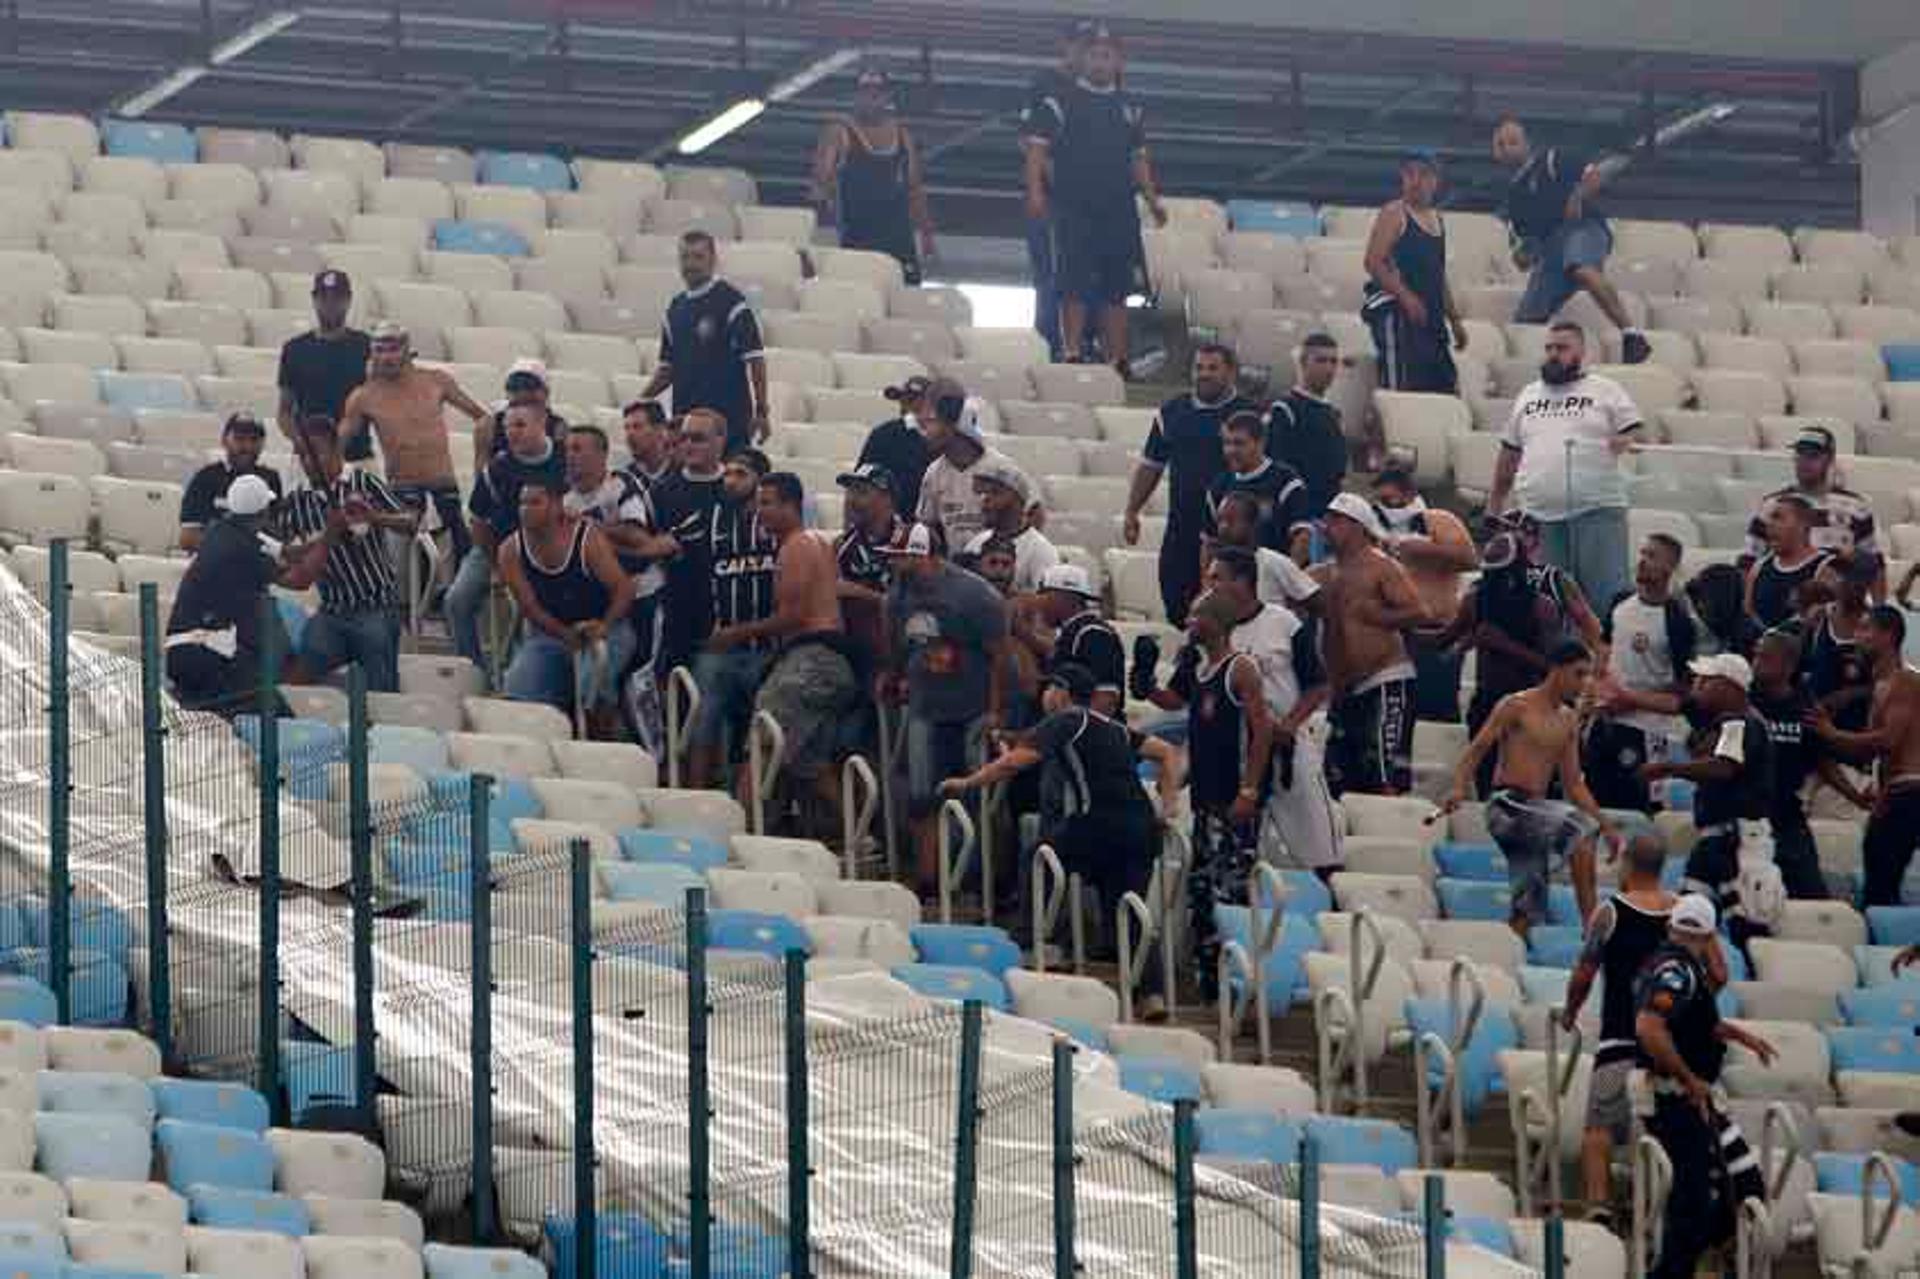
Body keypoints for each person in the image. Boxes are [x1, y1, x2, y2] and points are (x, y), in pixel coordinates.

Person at [941, 662, 1181, 1018]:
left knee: (1038, 856)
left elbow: (1016, 763)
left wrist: (967, 783)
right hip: (1141, 828)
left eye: (1050, 688)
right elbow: (1166, 752)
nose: (1045, 696)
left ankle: (1033, 942)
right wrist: (1170, 802)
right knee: (1128, 909)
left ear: (1063, 693)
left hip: (1098, 823)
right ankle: (1152, 995)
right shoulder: (1113, 727)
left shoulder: (1069, 720)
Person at [1144, 547, 1341, 877]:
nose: (1210, 584)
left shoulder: (1283, 622)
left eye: (1217, 577)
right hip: (1233, 756)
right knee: (1230, 857)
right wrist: (1147, 686)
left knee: (1319, 848)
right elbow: (1177, 698)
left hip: (1285, 748)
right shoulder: (1206, 630)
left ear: (1244, 580)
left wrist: (1290, 725)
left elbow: (1319, 686)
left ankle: (1332, 912)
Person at [707, 472, 864, 823]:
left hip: (811, 661)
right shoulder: (816, 544)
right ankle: (861, 838)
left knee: (762, 741)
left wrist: (733, 634)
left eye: (766, 503)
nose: (757, 512)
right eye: (757, 503)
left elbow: (794, 616)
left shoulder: (795, 546)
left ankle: (739, 834)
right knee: (812, 766)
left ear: (791, 506)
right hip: (830, 663)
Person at [1634, 894, 1774, 1279]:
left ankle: (1710, 1256)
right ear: (1711, 935)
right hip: (1681, 1101)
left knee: (1742, 1187)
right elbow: (1650, 1027)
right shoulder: (1675, 971)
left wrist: (1741, 1036)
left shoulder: (1685, 967)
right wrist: (1689, 1079)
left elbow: (1698, 1017)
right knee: (1693, 1205)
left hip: (1700, 1100)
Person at [1022, 23, 1166, 374]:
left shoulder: (1130, 107)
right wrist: (1036, 192)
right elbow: (1036, 152)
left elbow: (1139, 158)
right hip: (1074, 207)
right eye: (1094, 55)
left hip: (1118, 208)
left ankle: (1116, 358)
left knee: (1116, 286)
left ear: (1119, 62)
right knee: (1072, 282)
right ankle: (1071, 351)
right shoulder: (1058, 101)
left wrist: (1151, 198)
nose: (1101, 62)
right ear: (1083, 60)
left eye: (1108, 55)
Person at [1443, 639, 1611, 934]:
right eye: (1578, 673)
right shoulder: (1516, 705)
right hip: (1507, 806)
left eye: (1588, 675)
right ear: (1557, 670)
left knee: (1528, 909)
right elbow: (1477, 749)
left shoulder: (1568, 719)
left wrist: (1608, 826)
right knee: (1579, 829)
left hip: (1537, 815)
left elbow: (1574, 785)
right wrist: (1458, 787)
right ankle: (1591, 928)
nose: (1584, 683)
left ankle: (1504, 959)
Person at [880, 522, 1011, 892]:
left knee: (980, 800)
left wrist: (995, 712)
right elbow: (898, 642)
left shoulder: (974, 595)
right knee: (923, 795)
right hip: (926, 705)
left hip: (972, 708)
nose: (893, 565)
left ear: (921, 556)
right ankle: (929, 879)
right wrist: (891, 673)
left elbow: (1000, 656)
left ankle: (990, 883)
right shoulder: (896, 596)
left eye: (900, 557)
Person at [1561, 833, 1677, 1228]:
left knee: (1599, 1126)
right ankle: (1660, 1205)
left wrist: (1569, 1011)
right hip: (1669, 1044)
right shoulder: (1682, 914)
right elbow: (1715, 973)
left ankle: (1598, 1203)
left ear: (1626, 864)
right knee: (1667, 1123)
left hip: (1619, 1039)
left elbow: (1584, 973)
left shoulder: (1609, 913)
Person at [1440, 516, 1602, 797]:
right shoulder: (1478, 595)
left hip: (1533, 704)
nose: (1507, 536)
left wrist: (1504, 645)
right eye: (1503, 530)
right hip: (1488, 700)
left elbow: (1561, 660)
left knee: (1534, 787)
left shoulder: (1548, 596)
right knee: (1488, 784)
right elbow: (1447, 642)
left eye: (1516, 531)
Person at [1489, 321, 1643, 612]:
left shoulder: (1605, 389)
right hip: (1539, 518)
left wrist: (1625, 438)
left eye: (1562, 348)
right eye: (1548, 348)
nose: (1553, 354)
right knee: (1550, 605)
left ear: (1581, 352)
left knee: (1604, 604)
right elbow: (1509, 453)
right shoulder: (1528, 395)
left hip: (1596, 511)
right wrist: (1494, 505)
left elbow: (1636, 431)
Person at [1176, 589, 1276, 996]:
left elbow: (1262, 730)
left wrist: (1250, 790)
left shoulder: (1240, 668)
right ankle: (1209, 982)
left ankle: (1237, 985)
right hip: (1205, 799)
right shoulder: (1200, 668)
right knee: (1200, 890)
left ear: (1215, 621)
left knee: (1230, 893)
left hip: (1233, 799)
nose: (1188, 623)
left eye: (1196, 616)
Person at [1642, 654, 1778, 943]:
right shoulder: (1722, 723)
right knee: (1687, 919)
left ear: (1730, 686)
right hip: (1714, 840)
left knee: (1746, 924)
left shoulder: (1742, 722)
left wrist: (1669, 768)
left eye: (1706, 680)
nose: (1698, 685)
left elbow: (1724, 767)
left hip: (1738, 838)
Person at [1491, 114, 1650, 363]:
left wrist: (1576, 197)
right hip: (1551, 251)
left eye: (1512, 141)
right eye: (1500, 145)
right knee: (1524, 322)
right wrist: (1523, 256)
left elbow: (1594, 176)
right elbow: (1525, 248)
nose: (1507, 148)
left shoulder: (1551, 159)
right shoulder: (1513, 196)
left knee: (1581, 267)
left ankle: (1632, 335)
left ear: (1527, 143)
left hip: (1583, 228)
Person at [164, 474, 328, 713]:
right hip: (209, 655)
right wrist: (332, 537)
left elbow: (289, 553)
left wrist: (324, 538)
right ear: (262, 512)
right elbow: (300, 580)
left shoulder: (221, 531)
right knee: (275, 713)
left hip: (185, 653)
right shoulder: (244, 548)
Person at [276, 415, 412, 693]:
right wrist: (326, 535)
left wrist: (375, 517)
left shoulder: (363, 482)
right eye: (302, 455)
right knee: (295, 679)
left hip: (375, 606)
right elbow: (287, 556)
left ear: (336, 449)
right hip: (332, 611)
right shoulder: (296, 503)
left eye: (316, 453)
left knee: (381, 690)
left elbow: (410, 521)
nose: (308, 462)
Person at [337, 322, 488, 569]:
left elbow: (482, 418)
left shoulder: (436, 381)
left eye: (393, 348)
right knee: (409, 575)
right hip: (401, 490)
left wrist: (481, 464)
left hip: (443, 486)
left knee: (459, 565)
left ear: (407, 350)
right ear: (372, 354)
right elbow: (339, 443)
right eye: (381, 350)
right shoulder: (364, 395)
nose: (387, 356)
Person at [1125, 344, 1256, 625]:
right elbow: (1151, 465)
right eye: (1199, 368)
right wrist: (1131, 511)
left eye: (1213, 368)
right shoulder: (1172, 412)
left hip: (1231, 537)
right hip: (1182, 530)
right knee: (1180, 610)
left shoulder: (1250, 415)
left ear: (1231, 373)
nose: (1204, 374)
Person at [496, 477, 636, 735]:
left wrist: (604, 625)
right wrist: (565, 635)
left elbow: (624, 588)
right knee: (517, 689)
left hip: (607, 626)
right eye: (522, 503)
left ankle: (598, 744)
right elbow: (530, 608)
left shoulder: (586, 538)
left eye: (535, 502)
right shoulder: (509, 550)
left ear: (556, 505)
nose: (525, 509)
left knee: (591, 688)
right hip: (552, 632)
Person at [564, 424, 679, 735]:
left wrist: (590, 528)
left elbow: (637, 536)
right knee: (598, 683)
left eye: (578, 448)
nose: (570, 456)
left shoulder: (620, 484)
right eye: (567, 449)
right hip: (601, 604)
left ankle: (652, 753)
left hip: (644, 596)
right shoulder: (565, 501)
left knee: (640, 679)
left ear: (601, 454)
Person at [1315, 493, 1430, 796]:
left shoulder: (1381, 567)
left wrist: (1379, 617)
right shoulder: (1324, 573)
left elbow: (1420, 613)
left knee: (1383, 774)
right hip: (1344, 691)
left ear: (1358, 526)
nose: (1326, 527)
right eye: (1326, 520)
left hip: (1384, 680)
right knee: (1338, 779)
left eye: (1336, 521)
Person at [1808, 604, 1920, 906]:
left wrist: (1832, 733)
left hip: (1909, 793)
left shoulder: (1905, 681)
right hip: (1894, 793)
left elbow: (1888, 740)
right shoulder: (1882, 685)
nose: (1857, 637)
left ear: (1888, 635)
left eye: (1865, 629)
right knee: (1879, 881)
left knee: (1882, 886)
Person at [446, 401, 566, 671]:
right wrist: (498, 564)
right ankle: (474, 669)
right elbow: (477, 520)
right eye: (508, 426)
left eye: (521, 425)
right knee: (457, 600)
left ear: (541, 423)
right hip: (495, 547)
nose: (512, 432)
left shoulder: (564, 460)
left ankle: (518, 673)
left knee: (532, 611)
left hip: (548, 553)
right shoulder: (498, 468)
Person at [1751, 629, 1867, 900]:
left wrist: (1855, 796)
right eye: (1756, 656)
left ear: (1789, 665)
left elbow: (1822, 762)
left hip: (1787, 817)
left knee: (1813, 895)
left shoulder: (1806, 709)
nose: (1757, 662)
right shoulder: (1743, 700)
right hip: (1747, 816)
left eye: (1766, 658)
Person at [1584, 533, 1695, 811]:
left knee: (1641, 808)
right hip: (1605, 723)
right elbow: (1604, 652)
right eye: (1643, 553)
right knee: (1594, 805)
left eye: (1652, 556)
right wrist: (1595, 694)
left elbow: (1682, 693)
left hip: (1647, 731)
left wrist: (1629, 698)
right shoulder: (1620, 603)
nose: (1643, 561)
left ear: (1670, 568)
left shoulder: (1677, 621)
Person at [687, 448, 778, 788]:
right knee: (703, 718)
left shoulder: (778, 526)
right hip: (720, 645)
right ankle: (697, 796)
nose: (730, 480)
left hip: (768, 647)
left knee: (762, 729)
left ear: (761, 481)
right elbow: (663, 545)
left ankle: (756, 806)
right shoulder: (709, 519)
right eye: (728, 473)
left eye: (741, 473)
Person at [639, 231, 770, 450]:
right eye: (685, 257)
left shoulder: (731, 301)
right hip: (686, 422)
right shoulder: (675, 308)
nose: (691, 264)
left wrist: (762, 411)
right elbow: (668, 368)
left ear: (713, 259)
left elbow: (755, 358)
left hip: (728, 422)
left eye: (698, 257)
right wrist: (641, 400)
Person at [811, 67, 936, 285]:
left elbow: (915, 188)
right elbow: (820, 184)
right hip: (857, 238)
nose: (870, 100)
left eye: (876, 94)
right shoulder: (838, 133)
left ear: (887, 97)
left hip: (899, 241)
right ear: (855, 96)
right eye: (865, 93)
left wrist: (926, 234)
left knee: (905, 301)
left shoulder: (903, 136)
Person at [1374, 457, 1476, 722]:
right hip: (1394, 636)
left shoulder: (1439, 520)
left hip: (1435, 632)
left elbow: (1468, 559)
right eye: (1380, 502)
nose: (1386, 507)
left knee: (1438, 712)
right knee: (1397, 714)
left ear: (1410, 495)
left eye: (1391, 500)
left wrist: (1425, 548)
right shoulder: (1376, 527)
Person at [1362, 151, 1468, 393]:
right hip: (1396, 311)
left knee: (1444, 388)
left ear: (1436, 180)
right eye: (1410, 174)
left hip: (1430, 315)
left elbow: (1438, 274)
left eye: (1423, 174)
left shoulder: (1437, 220)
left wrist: (1454, 320)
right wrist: (1406, 296)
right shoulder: (1394, 213)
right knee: (1400, 389)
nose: (1416, 180)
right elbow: (1373, 262)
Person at [1017, 22, 1089, 361]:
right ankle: (1047, 346)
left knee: (1086, 273)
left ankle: (1080, 346)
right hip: (1053, 197)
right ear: (1065, 45)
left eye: (1090, 46)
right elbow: (1031, 141)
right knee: (1051, 275)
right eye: (1079, 44)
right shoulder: (1044, 82)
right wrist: (1051, 186)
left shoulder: (1101, 86)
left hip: (1089, 202)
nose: (1084, 51)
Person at [1743, 425, 1880, 588]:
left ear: (1830, 459)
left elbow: (1874, 564)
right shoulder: (1772, 505)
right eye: (1800, 454)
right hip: (1782, 598)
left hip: (1836, 599)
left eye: (1813, 456)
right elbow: (1750, 561)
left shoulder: (1857, 507)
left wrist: (1878, 609)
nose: (1804, 461)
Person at [650, 409, 732, 678]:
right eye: (684, 438)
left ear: (721, 441)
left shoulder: (737, 488)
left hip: (728, 614)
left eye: (698, 438)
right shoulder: (661, 491)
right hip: (678, 611)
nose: (688, 445)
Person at [915, 380, 1032, 551]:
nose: (925, 430)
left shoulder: (1001, 467)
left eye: (932, 421)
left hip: (997, 565)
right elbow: (927, 524)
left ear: (953, 427)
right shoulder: (934, 473)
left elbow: (1033, 514)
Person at [276, 269, 370, 452]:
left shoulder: (365, 346)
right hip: (309, 459)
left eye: (337, 297)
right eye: (324, 297)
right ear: (314, 300)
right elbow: (284, 411)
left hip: (358, 456)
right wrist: (302, 442)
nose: (330, 304)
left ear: (349, 300)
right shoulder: (294, 349)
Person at [1201, 410, 1310, 564]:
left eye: (1239, 443)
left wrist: (1286, 580)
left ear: (1261, 443)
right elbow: (1209, 543)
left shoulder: (1286, 481)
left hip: (1273, 577)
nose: (1231, 450)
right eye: (1227, 443)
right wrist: (1207, 584)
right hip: (1233, 582)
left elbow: (1302, 537)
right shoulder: (1218, 486)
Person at [1267, 333, 1350, 519]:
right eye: (1321, 360)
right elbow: (1278, 467)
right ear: (1303, 363)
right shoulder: (1285, 409)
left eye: (1333, 362)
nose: (1329, 368)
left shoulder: (1333, 413)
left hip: (1327, 516)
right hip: (1297, 516)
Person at [1027, 563, 1126, 718]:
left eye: (1042, 595)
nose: (1037, 603)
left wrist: (1071, 733)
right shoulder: (1073, 632)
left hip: (1091, 738)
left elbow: (1106, 700)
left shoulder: (1094, 634)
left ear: (1061, 598)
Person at [179, 413, 283, 554]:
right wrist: (236, 548)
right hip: (215, 562)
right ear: (224, 440)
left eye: (254, 440)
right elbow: (188, 538)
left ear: (262, 444)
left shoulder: (271, 478)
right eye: (239, 439)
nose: (247, 446)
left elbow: (277, 531)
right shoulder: (205, 478)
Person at [1204, 491, 1322, 614]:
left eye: (1231, 520)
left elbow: (1316, 600)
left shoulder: (1273, 561)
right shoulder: (1215, 567)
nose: (1223, 527)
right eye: (1220, 520)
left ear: (1252, 524)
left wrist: (1290, 623)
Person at [961, 460, 1059, 593]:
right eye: (984, 493)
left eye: (995, 493)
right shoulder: (976, 543)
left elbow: (1048, 603)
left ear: (1018, 502)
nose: (985, 499)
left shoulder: (1042, 551)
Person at [1744, 493, 1828, 639]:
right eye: (1769, 518)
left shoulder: (1825, 567)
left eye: (1778, 517)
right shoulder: (1759, 566)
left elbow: (1824, 623)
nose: (1769, 524)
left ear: (1804, 524)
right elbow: (1748, 613)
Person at [858, 375, 935, 517]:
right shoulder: (882, 435)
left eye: (911, 400)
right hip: (889, 525)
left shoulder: (940, 439)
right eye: (902, 400)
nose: (904, 405)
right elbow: (859, 483)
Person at [477, 359, 569, 465]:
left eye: (530, 386)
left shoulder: (559, 428)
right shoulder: (488, 426)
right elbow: (482, 475)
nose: (523, 394)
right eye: (515, 387)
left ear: (546, 393)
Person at [620, 399, 674, 493]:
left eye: (637, 427)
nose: (629, 434)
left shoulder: (684, 472)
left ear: (659, 430)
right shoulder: (623, 481)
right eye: (626, 428)